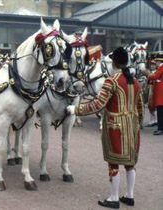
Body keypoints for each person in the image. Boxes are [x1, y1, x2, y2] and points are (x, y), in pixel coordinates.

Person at [67, 47, 143, 209]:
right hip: (133, 127)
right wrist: (137, 123)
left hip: (115, 128)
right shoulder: (135, 82)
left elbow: (98, 105)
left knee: (113, 163)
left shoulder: (111, 81)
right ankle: (129, 196)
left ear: (114, 62)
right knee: (130, 163)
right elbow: (140, 107)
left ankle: (114, 198)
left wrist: (76, 110)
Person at [147, 57, 163, 135]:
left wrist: (149, 75)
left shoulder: (161, 67)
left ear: (159, 62)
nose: (155, 63)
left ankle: (160, 129)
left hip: (161, 95)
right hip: (159, 94)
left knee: (160, 112)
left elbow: (155, 76)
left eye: (156, 62)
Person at [145, 60, 157, 127]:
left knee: (153, 105)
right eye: (151, 65)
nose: (152, 66)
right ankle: (152, 120)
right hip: (149, 88)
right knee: (150, 105)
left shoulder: (157, 72)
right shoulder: (149, 72)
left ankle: (155, 120)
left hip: (154, 88)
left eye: (153, 65)